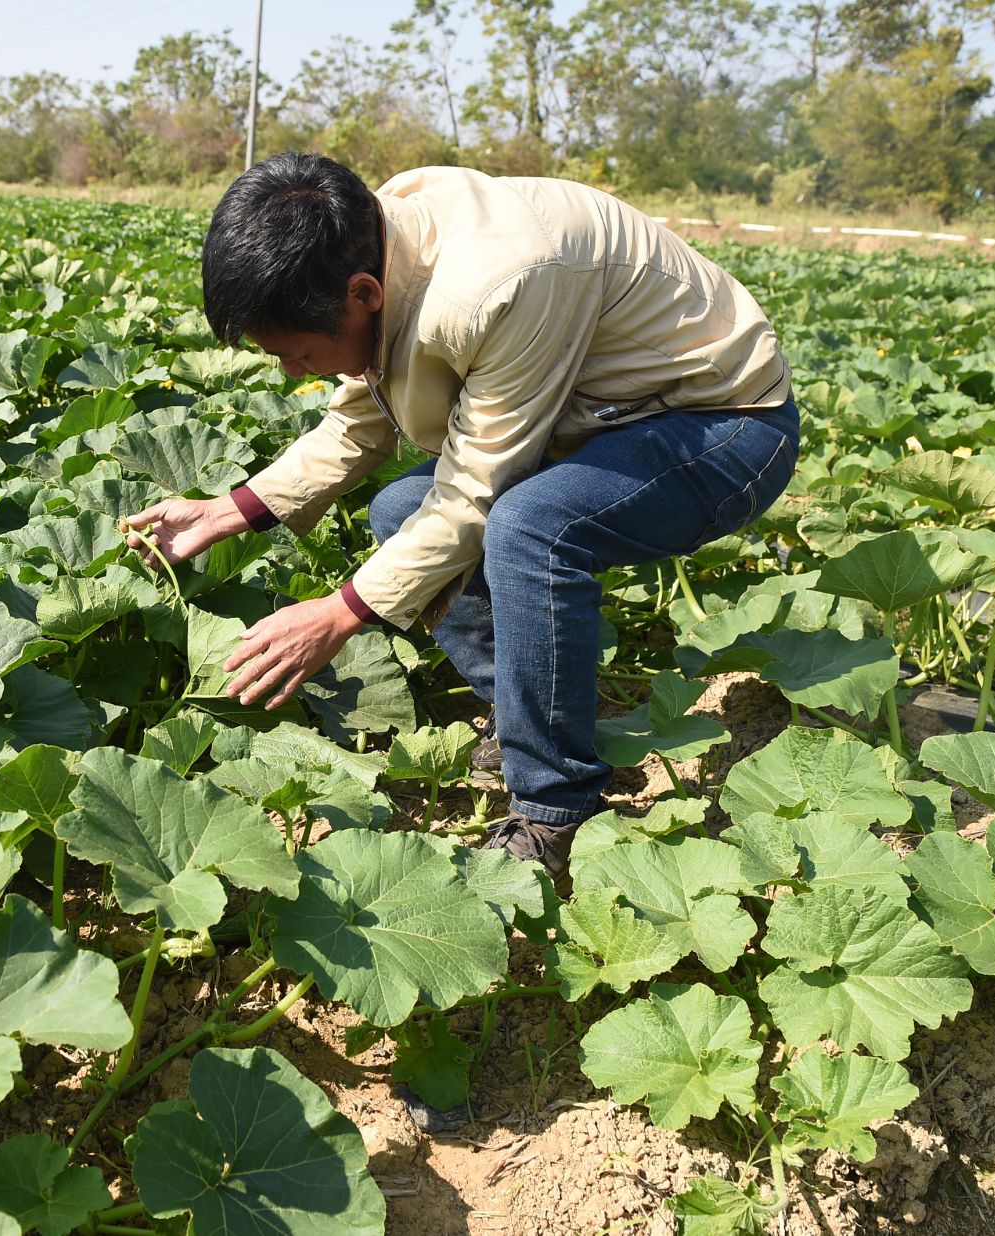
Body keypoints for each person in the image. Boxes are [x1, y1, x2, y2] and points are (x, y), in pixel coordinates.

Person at [122, 152, 798, 880]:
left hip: (723, 421)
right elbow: (361, 422)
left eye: (299, 355)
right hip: (603, 419)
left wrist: (339, 614)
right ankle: (534, 718)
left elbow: (477, 491)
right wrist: (230, 510)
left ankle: (555, 807)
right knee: (399, 508)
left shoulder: (500, 280)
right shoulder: (379, 240)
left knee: (531, 527)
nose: (294, 373)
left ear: (362, 295)